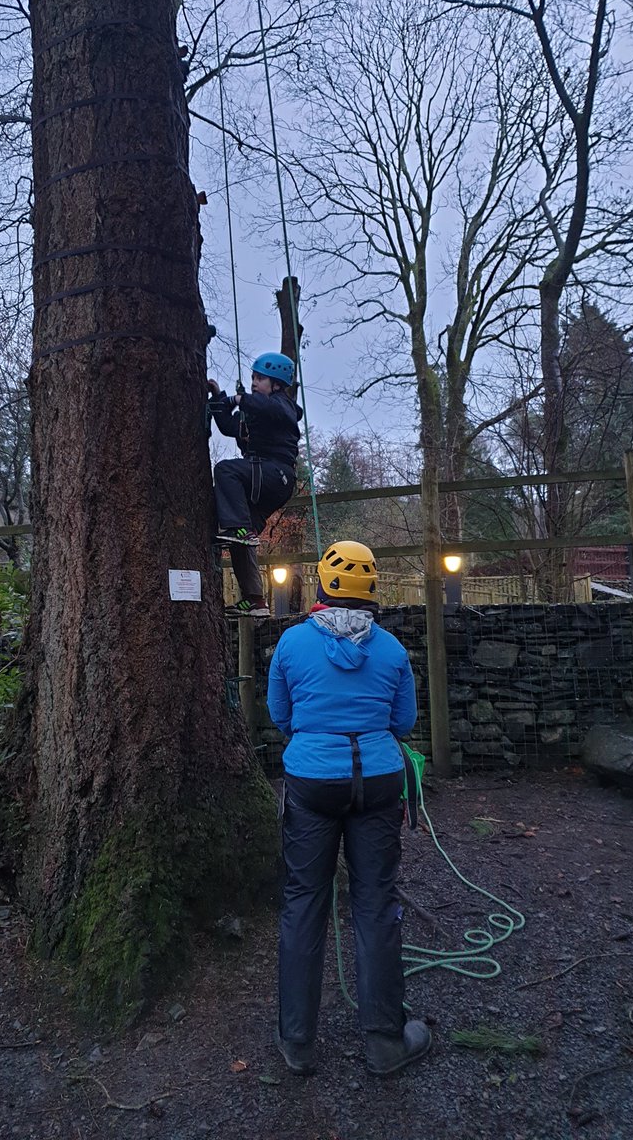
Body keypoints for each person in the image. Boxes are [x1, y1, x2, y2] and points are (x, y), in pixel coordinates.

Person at [267, 540, 432, 1077]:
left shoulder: (291, 645)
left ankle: (297, 1041)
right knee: (375, 903)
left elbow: (281, 716)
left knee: (303, 902)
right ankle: (384, 1042)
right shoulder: (391, 651)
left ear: (320, 586)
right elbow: (402, 724)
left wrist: (318, 740)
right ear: (372, 591)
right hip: (380, 783)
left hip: (313, 783)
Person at [207, 352, 302, 617]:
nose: (254, 382)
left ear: (277, 385)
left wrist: (240, 399)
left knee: (225, 470)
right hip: (263, 477)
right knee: (241, 539)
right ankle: (255, 600)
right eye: (252, 377)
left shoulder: (284, 406)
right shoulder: (255, 411)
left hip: (275, 474)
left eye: (260, 378)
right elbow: (227, 426)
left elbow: (268, 408)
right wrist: (218, 397)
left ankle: (238, 528)